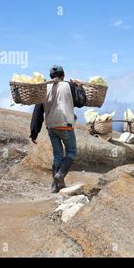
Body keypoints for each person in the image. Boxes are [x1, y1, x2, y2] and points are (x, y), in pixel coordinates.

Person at [30, 65, 78, 193]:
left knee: (57, 155)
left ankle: (54, 187)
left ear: (51, 77)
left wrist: (34, 132)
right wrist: (78, 87)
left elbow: (38, 111)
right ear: (63, 76)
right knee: (72, 152)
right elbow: (80, 101)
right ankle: (60, 175)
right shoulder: (68, 85)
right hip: (65, 124)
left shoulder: (44, 88)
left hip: (51, 126)